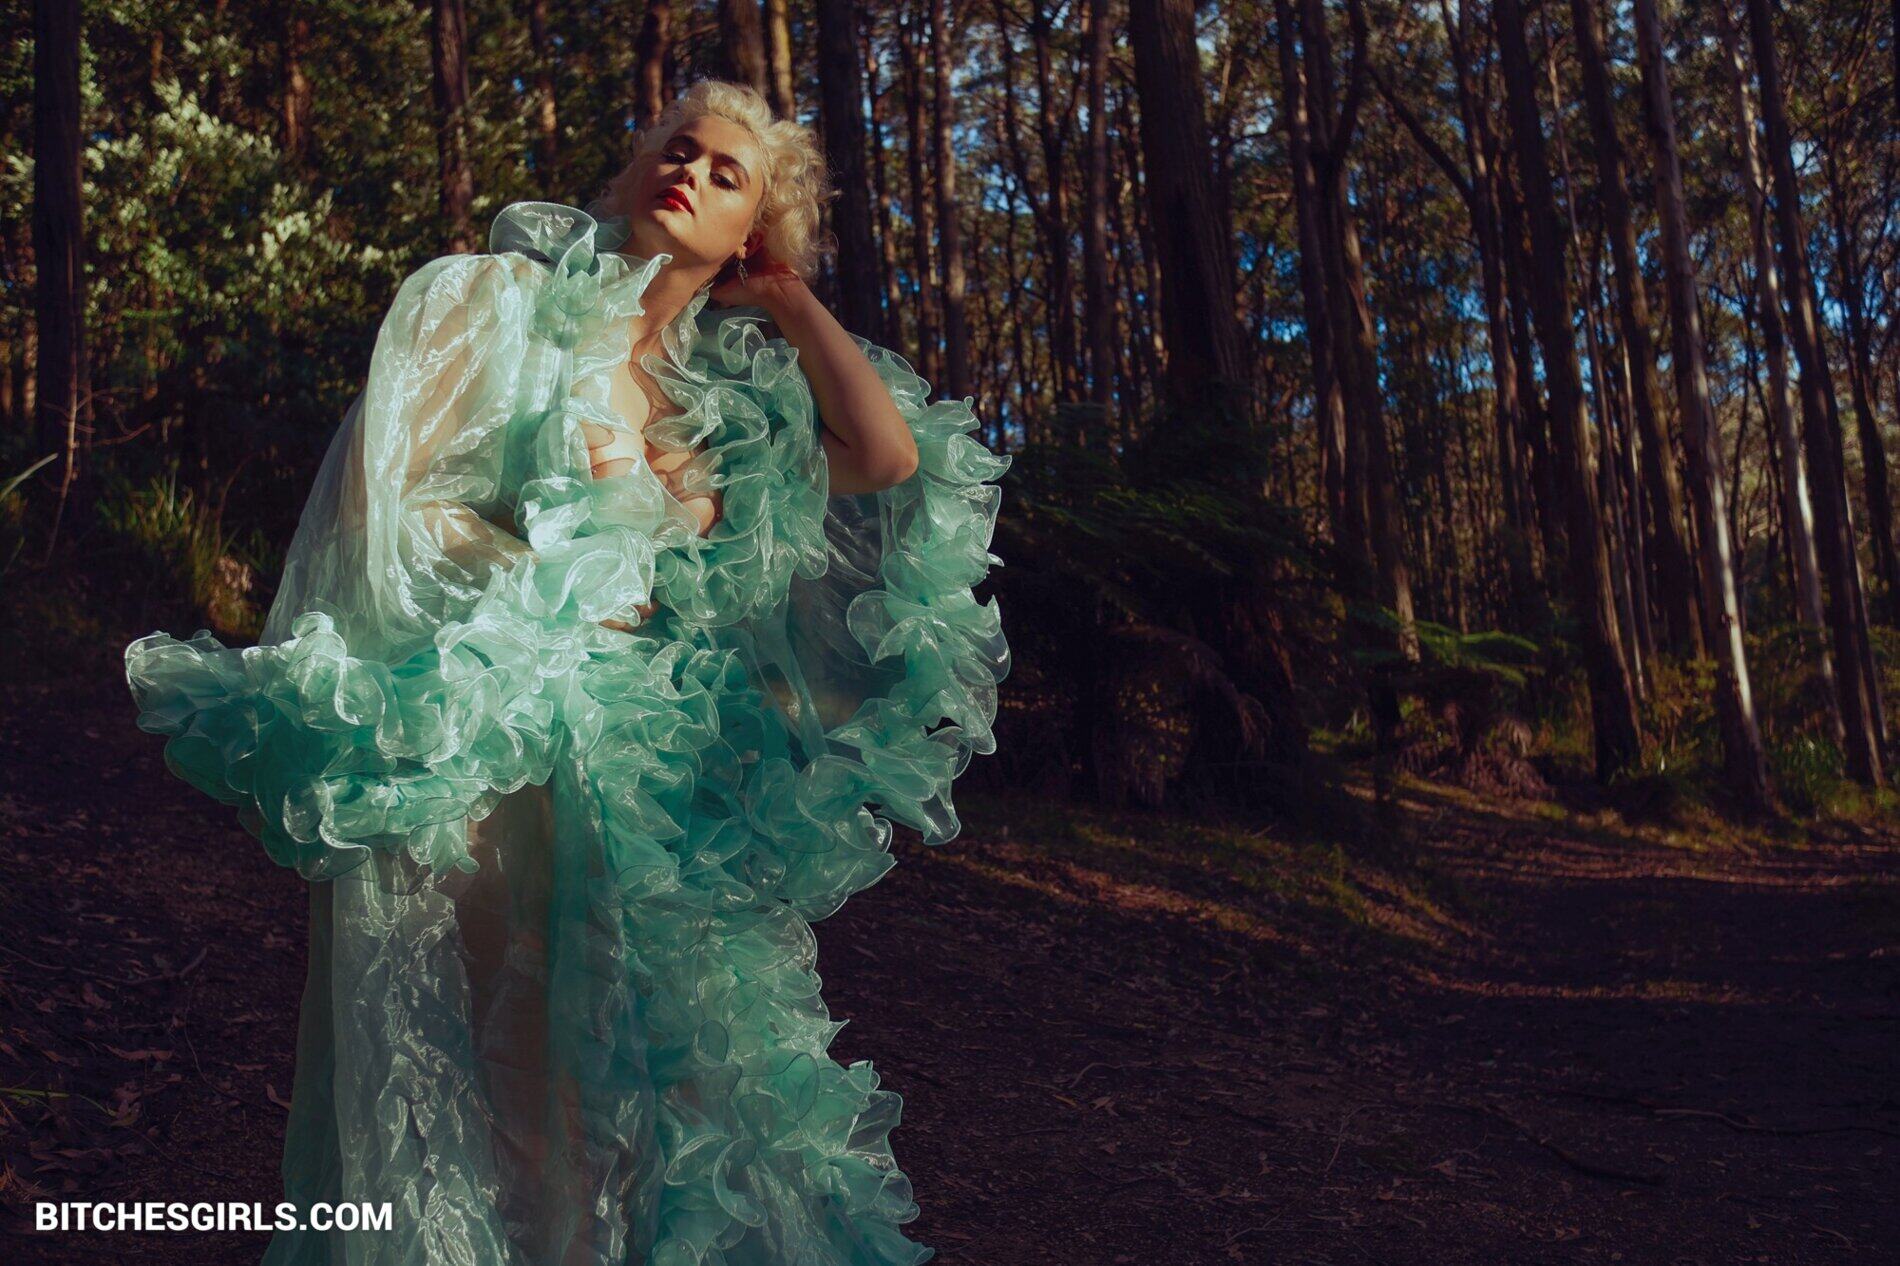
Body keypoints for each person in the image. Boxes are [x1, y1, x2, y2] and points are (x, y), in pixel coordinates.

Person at [123, 79, 1010, 1266]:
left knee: (641, 1086)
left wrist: (788, 297)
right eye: (677, 149)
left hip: (648, 774)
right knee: (494, 1058)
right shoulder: (501, 306)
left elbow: (886, 458)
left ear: (748, 234)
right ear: (637, 167)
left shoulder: (720, 412)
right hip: (499, 736)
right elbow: (388, 504)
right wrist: (558, 590)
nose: (688, 172)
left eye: (727, 176)